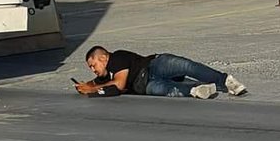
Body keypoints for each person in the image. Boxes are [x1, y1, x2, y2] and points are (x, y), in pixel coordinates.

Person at [75, 45, 247, 100]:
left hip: (154, 65)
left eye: (93, 65)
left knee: (187, 66)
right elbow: (96, 83)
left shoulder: (117, 58)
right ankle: (197, 90)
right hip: (146, 85)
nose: (93, 69)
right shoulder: (103, 78)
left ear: (103, 58)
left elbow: (118, 85)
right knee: (165, 90)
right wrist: (84, 86)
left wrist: (91, 89)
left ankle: (225, 81)